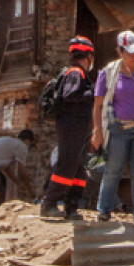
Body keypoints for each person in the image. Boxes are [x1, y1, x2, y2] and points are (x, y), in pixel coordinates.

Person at [91, 31, 134, 223]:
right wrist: (97, 131)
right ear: (120, 51)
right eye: (130, 52)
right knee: (113, 170)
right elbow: (98, 105)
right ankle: (104, 210)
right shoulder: (107, 73)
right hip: (117, 130)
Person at [39, 36, 96, 220]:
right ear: (88, 56)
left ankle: (72, 207)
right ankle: (49, 204)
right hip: (71, 126)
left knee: (78, 168)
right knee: (66, 165)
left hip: (79, 128)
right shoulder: (75, 73)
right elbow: (70, 94)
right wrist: (93, 93)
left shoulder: (79, 74)